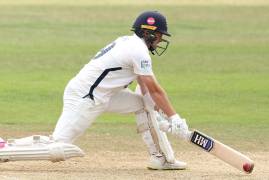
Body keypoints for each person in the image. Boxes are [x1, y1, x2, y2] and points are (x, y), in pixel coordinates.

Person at [0, 11, 191, 170]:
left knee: (142, 105)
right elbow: (154, 90)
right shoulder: (138, 50)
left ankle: (162, 158)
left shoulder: (130, 43)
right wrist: (174, 118)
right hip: (86, 96)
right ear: (150, 34)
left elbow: (145, 89)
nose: (160, 41)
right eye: (159, 36)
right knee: (57, 146)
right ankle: (4, 149)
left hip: (105, 95)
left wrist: (157, 117)